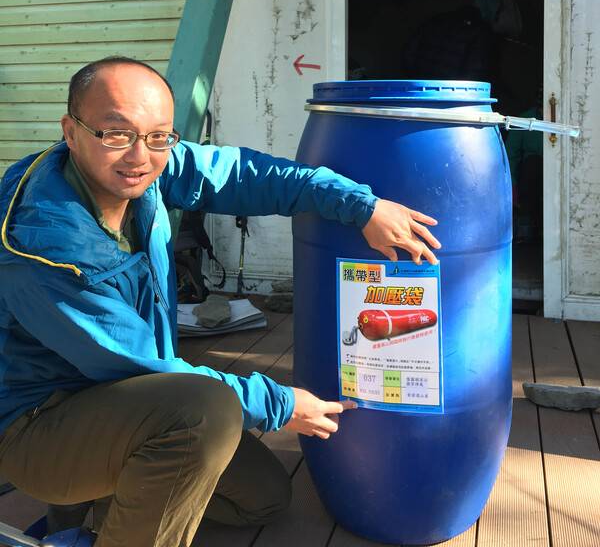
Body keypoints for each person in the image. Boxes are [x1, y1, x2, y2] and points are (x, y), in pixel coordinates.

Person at [0, 57, 440, 547]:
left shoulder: (144, 166)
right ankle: (88, 511)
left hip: (122, 396)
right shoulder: (44, 245)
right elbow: (136, 364)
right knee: (205, 414)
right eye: (116, 133)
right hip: (39, 422)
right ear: (71, 131)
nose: (139, 155)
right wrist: (280, 403)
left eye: (158, 135)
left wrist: (360, 205)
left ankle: (98, 509)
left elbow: (241, 176)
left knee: (263, 497)